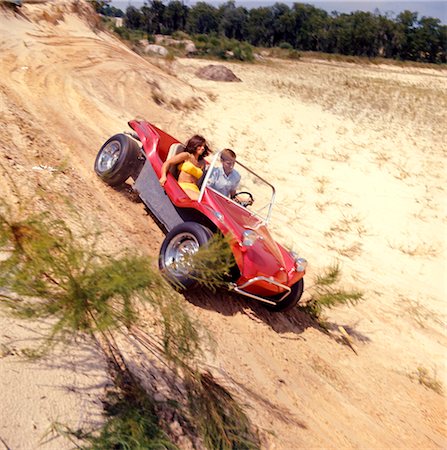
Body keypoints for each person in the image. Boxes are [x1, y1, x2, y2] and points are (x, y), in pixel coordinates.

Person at [159, 135, 210, 200]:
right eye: (200, 146)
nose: (203, 148)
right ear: (194, 145)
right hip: (183, 186)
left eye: (204, 146)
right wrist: (163, 176)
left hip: (195, 189)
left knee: (205, 201)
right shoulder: (186, 156)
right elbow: (167, 163)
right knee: (199, 200)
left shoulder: (202, 162)